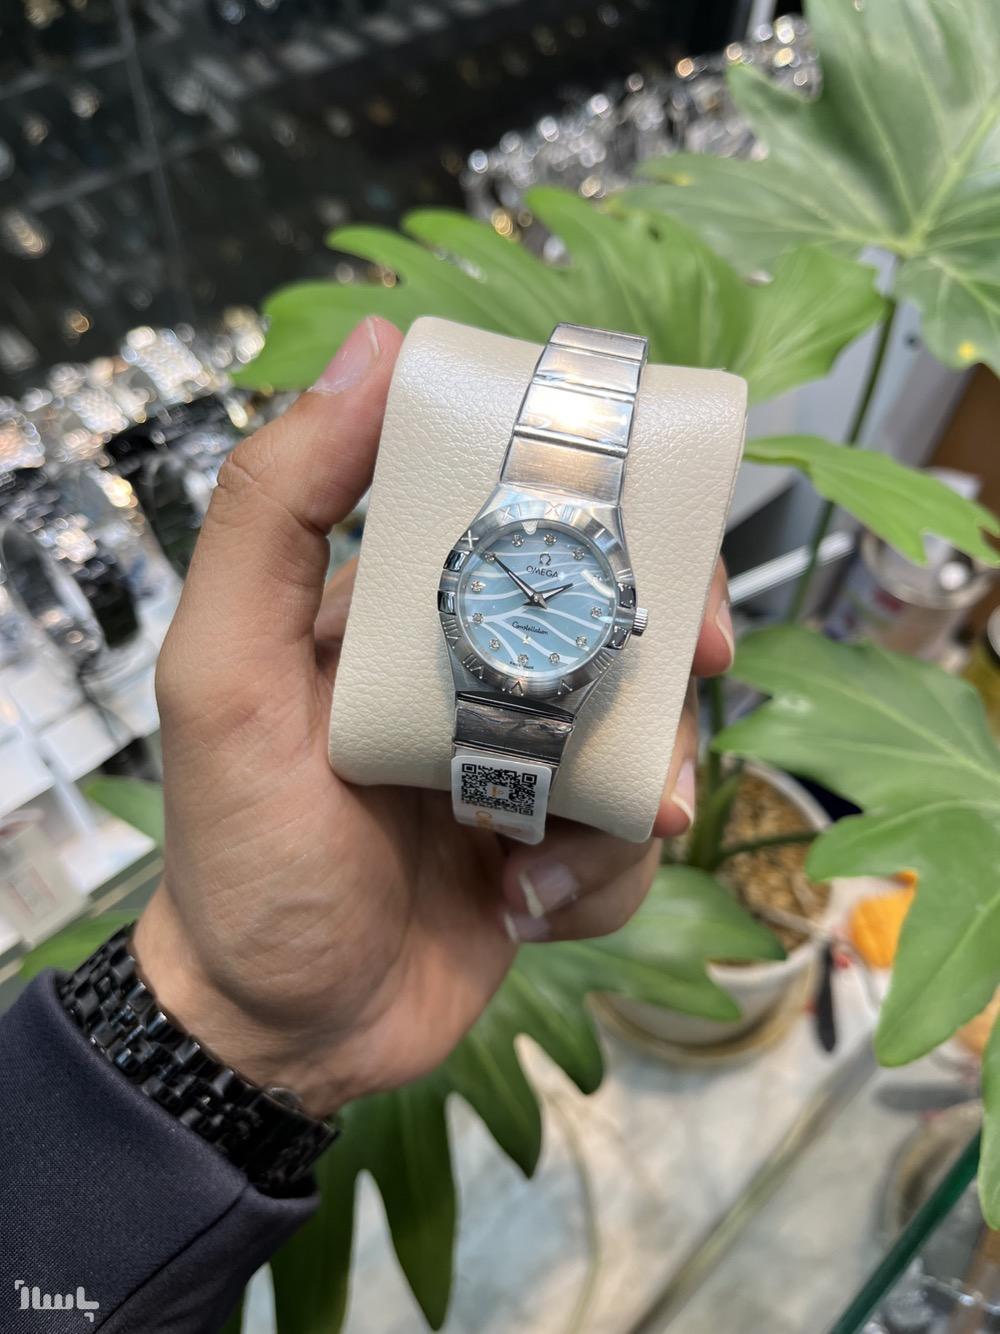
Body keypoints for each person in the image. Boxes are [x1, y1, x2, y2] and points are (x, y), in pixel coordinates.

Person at [0, 318, 734, 1332]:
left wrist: (235, 1020)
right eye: (513, 578)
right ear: (464, 570)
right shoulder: (529, 582)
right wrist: (232, 1011)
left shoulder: (534, 578)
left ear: (623, 616)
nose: (530, 586)